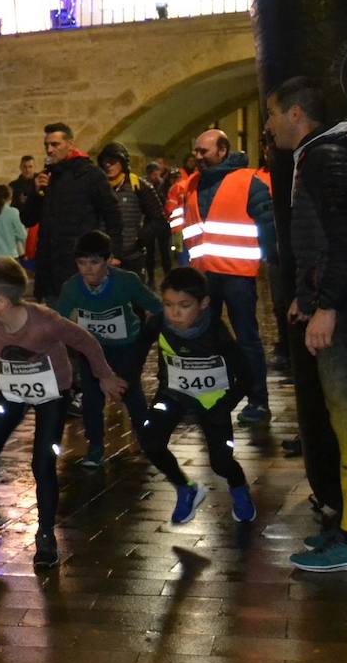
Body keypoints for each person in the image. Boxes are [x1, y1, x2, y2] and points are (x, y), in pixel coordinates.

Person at [267, 77, 347, 573]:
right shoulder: (316, 157)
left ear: (296, 114)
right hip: (338, 300)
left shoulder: (326, 160)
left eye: (272, 114)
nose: (269, 125)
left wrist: (328, 306)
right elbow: (320, 242)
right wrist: (306, 297)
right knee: (342, 418)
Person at [0, 257, 126, 568]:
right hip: (11, 389)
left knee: (43, 462)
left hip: (51, 392)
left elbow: (85, 341)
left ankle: (45, 533)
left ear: (2, 301)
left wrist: (104, 375)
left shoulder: (45, 322)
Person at [140, 267, 257, 527]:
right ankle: (185, 488)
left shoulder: (216, 332)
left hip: (212, 400)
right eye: (169, 305)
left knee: (221, 461)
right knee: (151, 443)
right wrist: (120, 377)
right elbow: (137, 352)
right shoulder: (158, 323)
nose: (175, 313)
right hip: (173, 394)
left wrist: (225, 405)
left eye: (184, 306)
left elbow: (247, 376)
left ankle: (239, 488)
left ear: (203, 304)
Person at [179, 128, 275, 425]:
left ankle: (258, 402)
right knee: (203, 339)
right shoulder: (193, 184)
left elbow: (267, 224)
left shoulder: (248, 181)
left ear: (222, 151)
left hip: (237, 275)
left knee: (247, 339)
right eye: (195, 151)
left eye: (203, 152)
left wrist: (268, 260)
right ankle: (208, 397)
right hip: (204, 275)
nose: (197, 157)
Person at [53, 230, 160, 467]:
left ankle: (147, 441)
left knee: (131, 394)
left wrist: (148, 336)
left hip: (125, 348)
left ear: (108, 260)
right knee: (91, 398)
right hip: (91, 351)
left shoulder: (126, 281)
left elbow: (156, 306)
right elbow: (57, 321)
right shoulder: (71, 287)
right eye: (81, 263)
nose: (88, 269)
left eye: (94, 262)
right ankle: (95, 448)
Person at [33, 123, 122, 303]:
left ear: (70, 144)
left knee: (81, 323)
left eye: (55, 144)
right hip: (50, 267)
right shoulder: (46, 177)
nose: (49, 150)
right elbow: (28, 219)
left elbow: (112, 214)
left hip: (80, 265)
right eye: (47, 145)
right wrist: (36, 194)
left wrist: (113, 253)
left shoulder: (90, 175)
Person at [95, 142, 166, 279]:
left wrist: (141, 237)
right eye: (105, 162)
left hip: (132, 256)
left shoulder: (138, 186)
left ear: (122, 163)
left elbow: (158, 218)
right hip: (103, 255)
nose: (108, 165)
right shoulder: (97, 187)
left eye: (113, 161)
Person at [9, 155, 41, 228]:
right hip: (20, 223)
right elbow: (11, 208)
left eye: (30, 166)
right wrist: (20, 202)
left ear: (35, 167)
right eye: (25, 167)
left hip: (38, 222)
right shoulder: (13, 185)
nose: (27, 170)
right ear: (20, 167)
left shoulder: (41, 182)